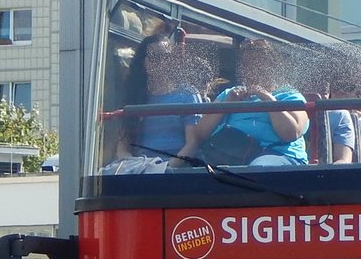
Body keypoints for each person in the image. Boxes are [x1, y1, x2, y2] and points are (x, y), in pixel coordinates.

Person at [179, 39, 309, 166]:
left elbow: (291, 134)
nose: (251, 70)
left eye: (258, 64)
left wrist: (268, 99)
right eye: (247, 65)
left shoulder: (289, 95)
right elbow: (200, 134)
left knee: (258, 167)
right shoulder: (229, 94)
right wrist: (226, 105)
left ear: (272, 66)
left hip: (278, 155)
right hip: (230, 155)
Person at [116, 23, 213, 162]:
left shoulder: (188, 94)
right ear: (144, 63)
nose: (163, 63)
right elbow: (122, 148)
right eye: (156, 57)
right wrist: (135, 166)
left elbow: (193, 143)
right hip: (140, 168)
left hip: (176, 169)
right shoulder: (134, 97)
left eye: (167, 57)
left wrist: (168, 168)